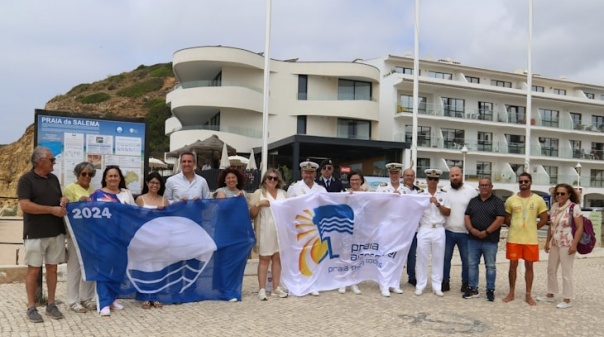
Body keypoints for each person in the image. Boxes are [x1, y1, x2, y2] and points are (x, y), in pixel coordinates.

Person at [17, 146, 67, 323]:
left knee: (52, 268)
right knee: (33, 269)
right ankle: (31, 307)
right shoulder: (26, 180)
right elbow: (25, 206)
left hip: (55, 231)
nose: (54, 162)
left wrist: (62, 201)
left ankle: (51, 304)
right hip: (35, 233)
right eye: (51, 160)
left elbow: (57, 200)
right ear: (40, 161)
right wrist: (51, 210)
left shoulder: (53, 179)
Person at [90, 165, 136, 316]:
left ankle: (113, 297)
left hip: (122, 238)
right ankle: (103, 302)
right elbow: (89, 215)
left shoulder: (126, 194)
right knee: (104, 268)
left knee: (119, 267)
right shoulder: (97, 195)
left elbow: (135, 212)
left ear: (120, 178)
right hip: (103, 238)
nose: (113, 178)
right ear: (105, 178)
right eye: (110, 176)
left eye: (116, 176)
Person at [502, 172, 548, 306]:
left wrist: (533, 228)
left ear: (530, 182)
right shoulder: (511, 200)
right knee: (512, 266)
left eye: (526, 181)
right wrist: (515, 227)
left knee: (529, 266)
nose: (523, 183)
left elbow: (544, 219)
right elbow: (506, 218)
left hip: (530, 239)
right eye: (521, 181)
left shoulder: (538, 199)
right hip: (514, 238)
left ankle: (528, 295)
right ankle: (511, 292)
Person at [537, 183, 584, 309]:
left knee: (566, 271)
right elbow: (551, 226)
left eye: (562, 193)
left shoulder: (574, 208)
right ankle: (550, 293)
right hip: (555, 242)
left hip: (567, 243)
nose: (559, 195)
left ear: (569, 194)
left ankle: (567, 299)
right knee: (551, 269)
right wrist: (547, 242)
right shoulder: (554, 207)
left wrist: (574, 245)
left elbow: (580, 228)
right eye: (557, 193)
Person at [287, 159, 327, 296]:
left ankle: (312, 284)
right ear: (301, 173)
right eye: (306, 172)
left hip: (315, 228)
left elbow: (325, 207)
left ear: (315, 174)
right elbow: (288, 207)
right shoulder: (294, 188)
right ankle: (298, 283)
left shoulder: (321, 189)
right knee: (298, 255)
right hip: (299, 228)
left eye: (311, 172)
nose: (308, 175)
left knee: (314, 256)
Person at [249, 169, 289, 300]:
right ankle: (261, 289)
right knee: (264, 259)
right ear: (265, 179)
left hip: (280, 231)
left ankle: (275, 287)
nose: (272, 180)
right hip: (265, 230)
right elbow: (252, 214)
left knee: (277, 259)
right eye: (270, 178)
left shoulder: (283, 193)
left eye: (275, 178)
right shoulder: (259, 193)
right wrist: (259, 204)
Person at [463, 177, 505, 302]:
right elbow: (467, 216)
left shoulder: (498, 202)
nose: (484, 187)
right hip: (473, 239)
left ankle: (490, 290)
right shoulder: (473, 201)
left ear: (491, 187)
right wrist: (471, 229)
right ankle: (473, 288)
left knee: (490, 266)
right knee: (472, 265)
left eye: (486, 185)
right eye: (482, 185)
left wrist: (486, 232)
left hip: (490, 240)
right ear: (479, 187)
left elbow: (500, 219)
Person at [63, 161, 97, 313]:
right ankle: (73, 300)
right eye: (84, 174)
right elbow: (67, 208)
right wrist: (79, 202)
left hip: (90, 235)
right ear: (77, 174)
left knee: (90, 266)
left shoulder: (93, 190)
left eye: (90, 174)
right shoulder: (70, 188)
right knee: (75, 268)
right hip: (76, 235)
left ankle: (87, 298)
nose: (87, 176)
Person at [135, 172, 169, 309]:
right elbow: (135, 218)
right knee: (144, 267)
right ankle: (144, 295)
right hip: (144, 238)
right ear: (147, 184)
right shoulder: (140, 199)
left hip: (159, 238)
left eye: (157, 183)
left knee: (158, 267)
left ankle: (155, 295)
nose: (154, 185)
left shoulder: (164, 200)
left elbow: (168, 220)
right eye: (152, 182)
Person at [374, 163, 409, 296]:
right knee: (384, 255)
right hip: (386, 225)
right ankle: (383, 284)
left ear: (400, 174)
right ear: (388, 174)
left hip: (400, 226)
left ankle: (394, 283)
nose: (394, 175)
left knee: (398, 255)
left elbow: (411, 207)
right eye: (391, 173)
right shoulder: (382, 188)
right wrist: (390, 198)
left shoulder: (406, 189)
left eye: (396, 173)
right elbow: (376, 204)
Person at [442, 166, 477, 293]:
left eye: (457, 175)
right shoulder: (444, 190)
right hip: (448, 231)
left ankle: (465, 283)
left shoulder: (471, 191)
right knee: (445, 259)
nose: (455, 177)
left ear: (461, 175)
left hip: (465, 232)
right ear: (449, 177)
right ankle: (445, 282)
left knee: (466, 261)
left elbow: (475, 211)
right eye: (452, 175)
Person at [415, 169, 450, 297]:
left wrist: (437, 204)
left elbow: (448, 212)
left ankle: (437, 286)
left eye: (435, 179)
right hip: (424, 227)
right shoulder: (420, 193)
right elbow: (414, 211)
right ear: (427, 180)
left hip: (439, 228)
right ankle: (420, 285)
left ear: (438, 181)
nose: (432, 181)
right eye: (430, 179)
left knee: (438, 258)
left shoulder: (444, 194)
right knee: (422, 258)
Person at [338, 170, 365, 295]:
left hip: (359, 230)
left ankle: (354, 281)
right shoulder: (344, 194)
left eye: (357, 180)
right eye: (352, 180)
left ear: (361, 181)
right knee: (345, 254)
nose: (354, 182)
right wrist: (345, 197)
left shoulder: (367, 195)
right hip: (346, 229)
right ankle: (343, 281)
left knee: (356, 255)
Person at [401, 168, 421, 287]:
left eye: (411, 175)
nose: (409, 177)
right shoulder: (399, 190)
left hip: (414, 228)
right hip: (400, 229)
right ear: (403, 176)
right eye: (407, 175)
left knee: (412, 255)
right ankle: (395, 276)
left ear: (414, 177)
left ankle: (412, 276)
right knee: (397, 253)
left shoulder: (419, 192)